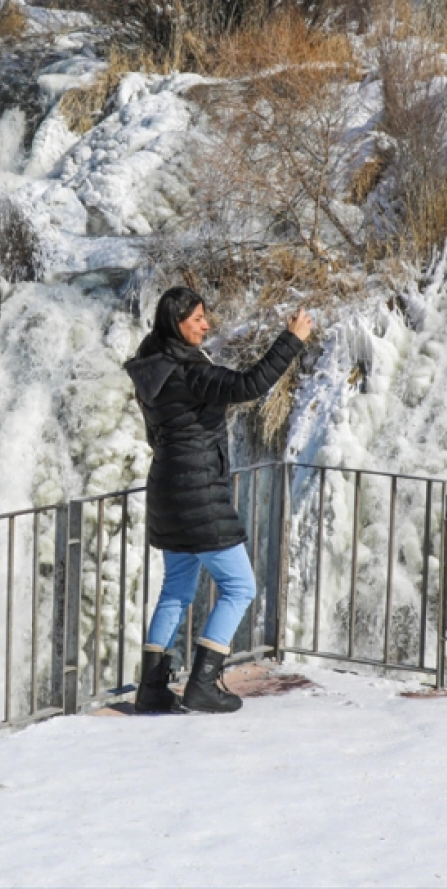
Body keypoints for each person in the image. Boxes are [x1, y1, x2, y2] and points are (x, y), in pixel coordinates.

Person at [125, 287, 312, 713]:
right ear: (177, 323)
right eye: (196, 319)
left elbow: (158, 435)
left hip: (166, 489)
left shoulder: (151, 370)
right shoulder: (188, 372)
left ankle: (152, 691)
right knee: (240, 586)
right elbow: (249, 384)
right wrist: (292, 339)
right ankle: (203, 684)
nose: (206, 325)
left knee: (175, 590)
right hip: (199, 492)